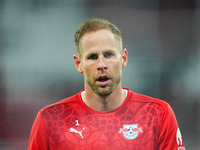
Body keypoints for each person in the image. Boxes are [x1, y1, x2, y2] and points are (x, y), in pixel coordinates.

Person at [28, 18, 185, 150]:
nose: (102, 64)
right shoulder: (49, 120)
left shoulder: (157, 114)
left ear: (123, 58)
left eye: (109, 54)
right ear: (78, 64)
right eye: (92, 57)